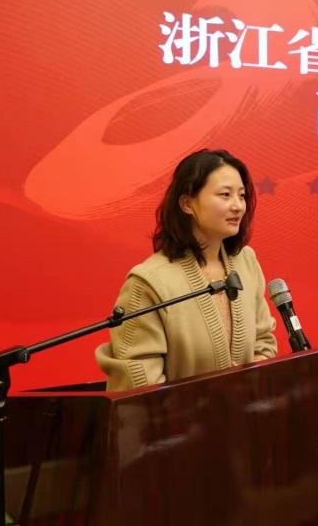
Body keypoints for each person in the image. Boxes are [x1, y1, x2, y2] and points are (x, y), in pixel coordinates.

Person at [96, 149, 278, 390]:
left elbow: (264, 341)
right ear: (187, 204)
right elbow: (138, 380)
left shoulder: (246, 262)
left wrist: (247, 381)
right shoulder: (149, 281)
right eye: (225, 195)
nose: (238, 206)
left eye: (242, 195)